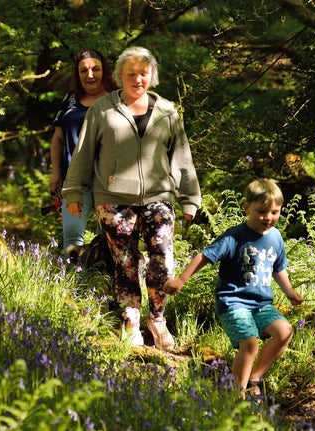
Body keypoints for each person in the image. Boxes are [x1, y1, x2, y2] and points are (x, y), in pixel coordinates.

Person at [62, 46, 201, 350]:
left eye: (143, 73)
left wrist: (190, 198)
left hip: (159, 196)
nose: (137, 79)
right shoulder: (103, 109)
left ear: (152, 75)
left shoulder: (167, 111)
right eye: (131, 74)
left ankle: (158, 318)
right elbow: (83, 153)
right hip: (113, 198)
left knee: (162, 258)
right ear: (119, 76)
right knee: (124, 262)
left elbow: (181, 157)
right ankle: (131, 321)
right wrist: (74, 190)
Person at [163, 178, 303, 403]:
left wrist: (290, 292)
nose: (268, 217)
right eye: (262, 211)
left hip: (261, 304)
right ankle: (237, 397)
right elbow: (205, 255)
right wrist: (181, 279)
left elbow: (278, 268)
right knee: (250, 343)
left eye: (275, 212)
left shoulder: (275, 237)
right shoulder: (235, 236)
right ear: (247, 208)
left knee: (285, 332)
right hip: (233, 301)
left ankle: (255, 378)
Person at [49, 48, 117, 262]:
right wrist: (55, 174)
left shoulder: (116, 99)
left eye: (95, 69)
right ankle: (74, 288)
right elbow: (58, 140)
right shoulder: (70, 100)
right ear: (77, 74)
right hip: (75, 181)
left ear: (104, 71)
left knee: (109, 239)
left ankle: (103, 287)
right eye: (84, 70)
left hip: (109, 181)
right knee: (72, 239)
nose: (90, 75)